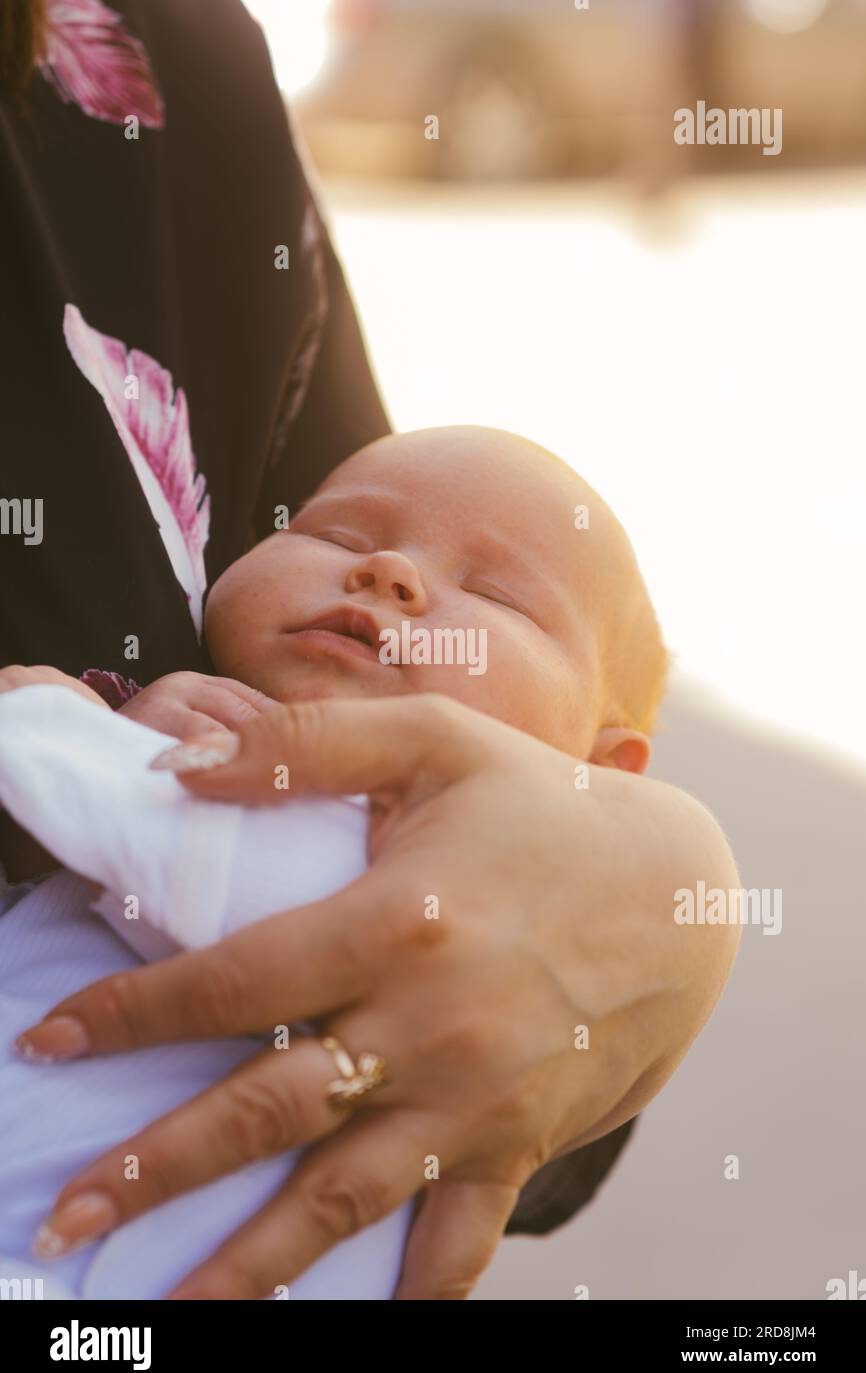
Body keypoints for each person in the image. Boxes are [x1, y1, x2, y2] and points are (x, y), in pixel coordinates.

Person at [0, 1, 740, 1298]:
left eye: (495, 598)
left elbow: (112, 803)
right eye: (338, 533)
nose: (389, 572)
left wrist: (670, 897)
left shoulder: (177, 63)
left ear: (599, 770)